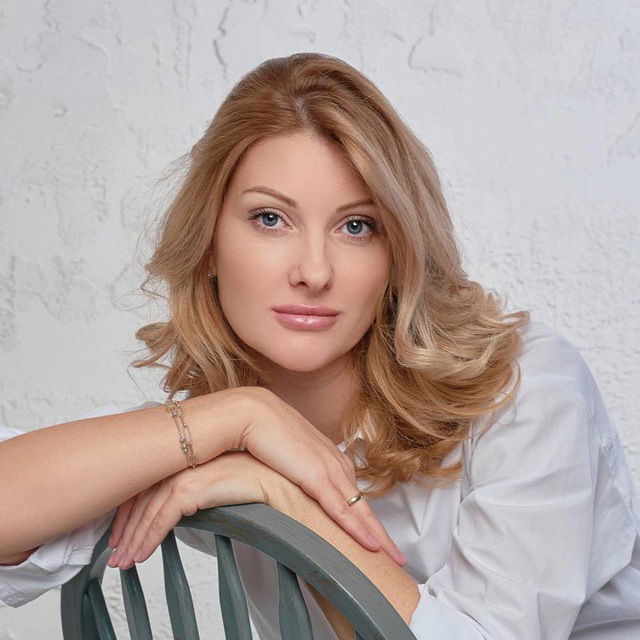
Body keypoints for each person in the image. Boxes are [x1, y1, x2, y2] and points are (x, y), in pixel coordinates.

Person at [0, 52, 638, 640]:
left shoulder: (522, 387)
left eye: (356, 226)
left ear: (399, 251)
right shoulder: (220, 424)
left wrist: (290, 503)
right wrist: (241, 413)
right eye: (270, 219)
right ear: (210, 242)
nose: (313, 271)